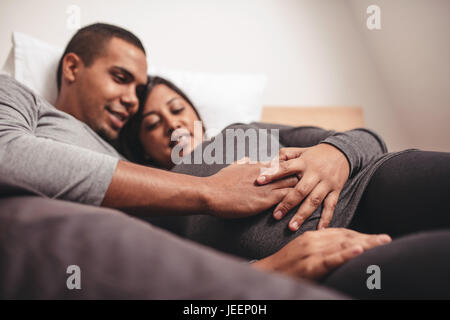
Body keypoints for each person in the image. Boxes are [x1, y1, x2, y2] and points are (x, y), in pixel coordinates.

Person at [0, 22, 391, 299]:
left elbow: (366, 140)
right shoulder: (21, 99)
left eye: (139, 90)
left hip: (362, 194)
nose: (133, 100)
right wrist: (210, 194)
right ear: (71, 67)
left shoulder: (224, 139)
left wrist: (337, 153)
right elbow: (8, 153)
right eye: (120, 77)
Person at [119, 75, 450, 298]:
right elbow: (188, 282)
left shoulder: (239, 131)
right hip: (319, 258)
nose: (172, 123)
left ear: (195, 113)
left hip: (371, 185)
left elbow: (368, 140)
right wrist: (261, 271)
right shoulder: (158, 198)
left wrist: (336, 153)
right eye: (152, 124)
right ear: (144, 149)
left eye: (177, 109)